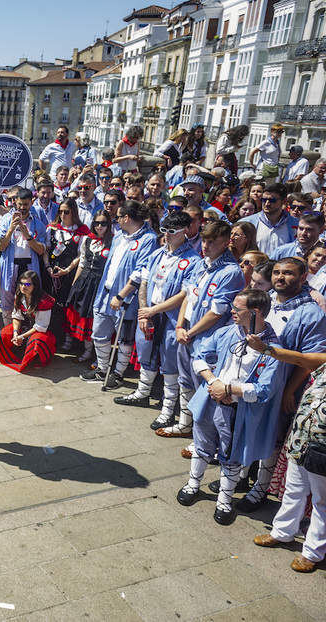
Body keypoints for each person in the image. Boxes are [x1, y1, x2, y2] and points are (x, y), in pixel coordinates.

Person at [176, 288, 287, 526]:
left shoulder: (273, 349)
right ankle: (193, 484)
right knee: (202, 444)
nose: (232, 311)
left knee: (232, 455)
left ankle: (224, 500)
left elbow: (265, 390)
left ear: (255, 312)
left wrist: (229, 391)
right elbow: (199, 356)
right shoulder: (227, 332)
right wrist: (214, 382)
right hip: (211, 400)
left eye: (238, 308)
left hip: (239, 411)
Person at [237, 257, 326, 513]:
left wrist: (289, 391)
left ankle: (261, 488)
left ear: (302, 279)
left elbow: (309, 360)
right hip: (253, 381)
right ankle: (242, 475)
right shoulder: (266, 301)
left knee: (273, 438)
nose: (280, 277)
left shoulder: (310, 313)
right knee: (249, 428)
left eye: (287, 273)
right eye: (276, 272)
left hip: (282, 387)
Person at [115, 211, 200, 428]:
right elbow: (143, 281)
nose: (167, 235)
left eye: (172, 231)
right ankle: (142, 393)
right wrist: (144, 311)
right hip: (150, 314)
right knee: (145, 354)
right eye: (164, 230)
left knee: (170, 364)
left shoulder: (192, 260)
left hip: (171, 320)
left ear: (186, 231)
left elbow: (184, 295)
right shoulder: (157, 254)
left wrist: (154, 311)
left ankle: (168, 411)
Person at [247, 341, 326, 572]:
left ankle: (312, 553)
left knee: (323, 503)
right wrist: (265, 348)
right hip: (301, 441)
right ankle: (282, 533)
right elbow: (299, 358)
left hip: (323, 450)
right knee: (294, 490)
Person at [163, 220, 246, 440]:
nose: (205, 245)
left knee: (204, 386)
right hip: (187, 331)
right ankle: (185, 424)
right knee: (185, 381)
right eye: (204, 240)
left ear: (227, 242)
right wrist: (181, 326)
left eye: (212, 242)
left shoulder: (230, 272)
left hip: (205, 338)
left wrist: (190, 333)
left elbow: (216, 313)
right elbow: (187, 297)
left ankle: (204, 439)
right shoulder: (201, 264)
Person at [80, 200, 159, 389]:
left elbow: (140, 271)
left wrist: (121, 295)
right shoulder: (119, 236)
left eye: (118, 216)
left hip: (126, 298)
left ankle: (118, 373)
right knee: (99, 333)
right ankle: (102, 368)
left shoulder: (148, 239)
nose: (115, 219)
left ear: (126, 217)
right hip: (105, 293)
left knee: (124, 338)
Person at [65, 211, 113, 363]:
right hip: (84, 281)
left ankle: (88, 351)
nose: (99, 226)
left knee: (91, 317)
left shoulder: (113, 241)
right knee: (75, 312)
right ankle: (71, 343)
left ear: (109, 225)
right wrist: (74, 284)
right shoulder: (87, 240)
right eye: (97, 223)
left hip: (98, 283)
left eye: (103, 223)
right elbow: (82, 263)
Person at [45, 197, 89, 351]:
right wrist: (47, 267)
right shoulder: (52, 228)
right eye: (60, 211)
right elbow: (46, 250)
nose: (63, 215)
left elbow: (80, 255)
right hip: (51, 272)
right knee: (50, 305)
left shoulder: (81, 231)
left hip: (69, 274)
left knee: (66, 307)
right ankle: (51, 337)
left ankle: (68, 339)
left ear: (73, 212)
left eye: (66, 212)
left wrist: (67, 270)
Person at [0, 188, 46, 327]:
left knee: (31, 300)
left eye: (25, 205)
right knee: (7, 299)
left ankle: (27, 332)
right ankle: (9, 331)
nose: (22, 208)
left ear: (31, 203)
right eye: (19, 204)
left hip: (29, 267)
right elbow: (0, 247)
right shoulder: (6, 220)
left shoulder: (38, 224)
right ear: (15, 202)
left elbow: (41, 250)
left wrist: (28, 236)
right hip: (10, 265)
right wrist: (11, 230)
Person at [240, 183, 298, 255]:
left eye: (272, 200)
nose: (267, 203)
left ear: (284, 201)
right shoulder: (247, 223)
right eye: (264, 200)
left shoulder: (297, 225)